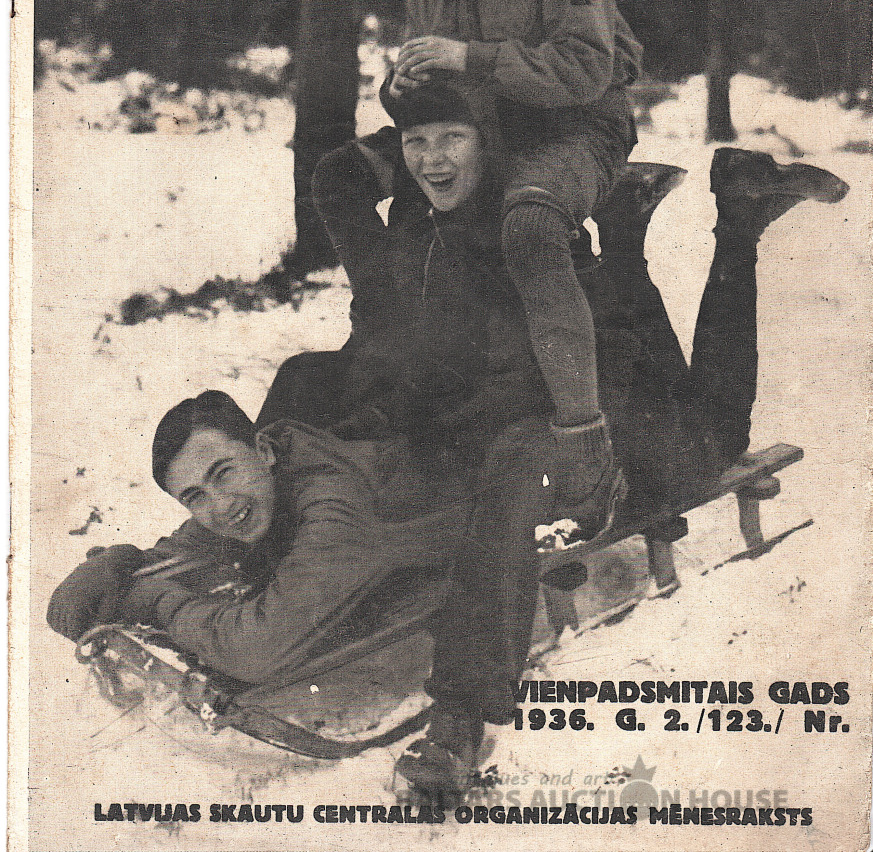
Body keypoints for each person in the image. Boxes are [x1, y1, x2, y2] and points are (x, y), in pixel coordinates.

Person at [313, 79, 849, 794]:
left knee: (707, 438)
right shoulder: (416, 235)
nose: (433, 159)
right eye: (417, 143)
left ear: (487, 146)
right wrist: (422, 138)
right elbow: (337, 181)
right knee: (617, 405)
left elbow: (591, 353)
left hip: (587, 413)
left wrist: (557, 424)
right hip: (540, 401)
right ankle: (649, 219)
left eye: (452, 139)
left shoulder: (520, 215)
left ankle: (460, 718)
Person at [389, 0, 644, 537]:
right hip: (489, 140)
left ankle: (587, 457)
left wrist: (468, 58)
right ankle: (451, 433)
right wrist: (402, 88)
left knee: (529, 223)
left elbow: (589, 68)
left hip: (578, 129)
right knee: (406, 221)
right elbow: (434, 105)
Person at [47, 390, 469, 685]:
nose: (221, 505)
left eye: (223, 473)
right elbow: (192, 546)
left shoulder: (332, 505)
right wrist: (117, 565)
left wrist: (159, 604)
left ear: (263, 450)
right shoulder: (268, 476)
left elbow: (255, 650)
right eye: (195, 496)